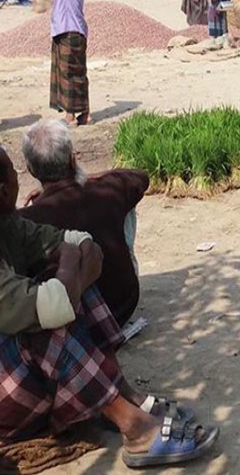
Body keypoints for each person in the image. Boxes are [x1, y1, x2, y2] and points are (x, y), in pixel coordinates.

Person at [0, 147, 219, 467]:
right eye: (12, 175)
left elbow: (82, 244)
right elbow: (54, 297)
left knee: (62, 288)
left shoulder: (16, 222)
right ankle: (135, 425)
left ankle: (119, 394)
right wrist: (70, 274)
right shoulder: (101, 190)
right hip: (9, 399)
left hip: (25, 372)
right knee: (47, 319)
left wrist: (67, 281)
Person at [19, 119, 148, 327]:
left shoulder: (26, 219)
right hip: (123, 306)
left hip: (71, 323)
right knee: (125, 204)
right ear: (72, 160)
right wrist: (88, 178)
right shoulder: (107, 191)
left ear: (31, 170)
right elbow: (138, 177)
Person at [47, 0, 90, 127]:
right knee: (74, 73)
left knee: (70, 74)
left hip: (70, 31)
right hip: (66, 30)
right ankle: (83, 114)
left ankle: (71, 116)